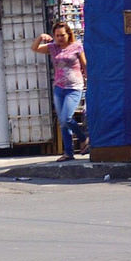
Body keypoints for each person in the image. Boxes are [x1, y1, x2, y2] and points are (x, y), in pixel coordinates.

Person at [32, 21, 89, 161]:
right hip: (59, 88)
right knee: (63, 122)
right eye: (57, 35)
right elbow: (35, 48)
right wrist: (40, 37)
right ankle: (68, 153)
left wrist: (89, 78)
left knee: (66, 118)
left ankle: (83, 138)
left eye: (62, 35)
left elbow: (84, 64)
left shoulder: (77, 47)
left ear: (68, 34)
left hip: (74, 87)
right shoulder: (52, 48)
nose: (60, 38)